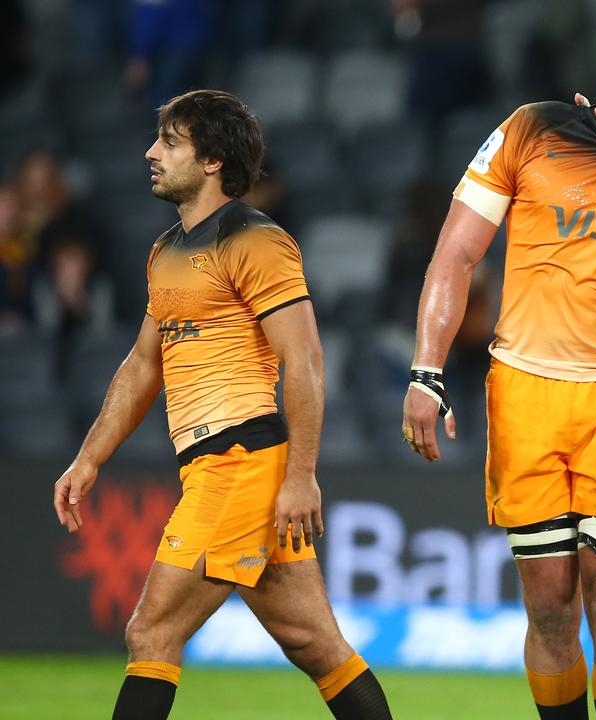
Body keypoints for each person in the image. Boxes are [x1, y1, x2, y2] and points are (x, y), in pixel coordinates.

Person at [401, 16, 596, 720]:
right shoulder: (531, 128)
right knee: (547, 608)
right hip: (524, 395)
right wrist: (427, 371)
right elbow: (455, 255)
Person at [51, 89, 392, 720]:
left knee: (151, 634)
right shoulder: (166, 250)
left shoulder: (256, 241)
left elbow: (307, 361)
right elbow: (143, 364)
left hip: (239, 461)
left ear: (212, 161)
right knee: (316, 644)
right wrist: (89, 457)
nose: (151, 153)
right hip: (226, 463)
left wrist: (301, 476)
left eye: (171, 142)